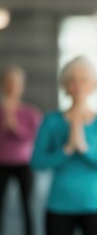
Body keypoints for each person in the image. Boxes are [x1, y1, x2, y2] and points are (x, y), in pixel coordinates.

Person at [30, 57, 97, 235]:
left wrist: (85, 150)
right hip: (59, 205)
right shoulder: (51, 121)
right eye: (71, 80)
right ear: (64, 85)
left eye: (83, 80)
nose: (77, 85)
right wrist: (66, 150)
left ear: (93, 85)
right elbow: (36, 162)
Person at [0, 65, 41, 235]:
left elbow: (34, 137)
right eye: (8, 83)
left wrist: (15, 127)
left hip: (25, 163)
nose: (12, 87)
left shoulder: (31, 112)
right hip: (1, 163)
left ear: (21, 87)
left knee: (27, 204)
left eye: (15, 84)